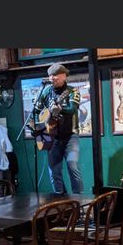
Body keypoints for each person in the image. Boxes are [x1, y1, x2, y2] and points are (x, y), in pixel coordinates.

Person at [34, 63, 84, 194]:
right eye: (50, 76)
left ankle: (79, 202)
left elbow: (72, 109)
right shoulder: (46, 91)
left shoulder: (73, 91)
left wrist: (60, 109)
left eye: (55, 75)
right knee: (54, 171)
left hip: (70, 136)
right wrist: (40, 125)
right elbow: (36, 110)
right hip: (52, 137)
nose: (52, 78)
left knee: (72, 165)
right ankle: (62, 203)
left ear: (64, 76)